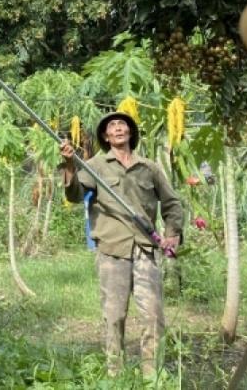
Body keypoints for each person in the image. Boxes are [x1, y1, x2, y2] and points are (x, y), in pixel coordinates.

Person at [60, 111, 183, 377]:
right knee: (114, 317)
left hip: (145, 249)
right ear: (105, 136)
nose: (117, 128)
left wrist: (172, 233)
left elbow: (172, 203)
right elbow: (75, 195)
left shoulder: (149, 168)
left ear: (130, 132)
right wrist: (70, 165)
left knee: (154, 316)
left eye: (122, 124)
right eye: (112, 126)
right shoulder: (95, 165)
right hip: (112, 250)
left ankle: (152, 376)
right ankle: (115, 375)